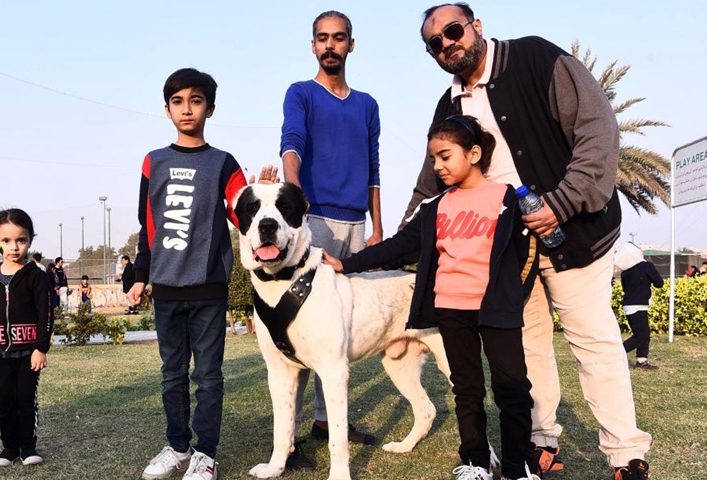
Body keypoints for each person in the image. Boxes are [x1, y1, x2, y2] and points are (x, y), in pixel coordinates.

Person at [405, 4, 653, 479]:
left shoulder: (537, 60)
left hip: (574, 231)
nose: (446, 44)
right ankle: (541, 446)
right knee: (528, 349)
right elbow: (430, 187)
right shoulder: (449, 107)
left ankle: (626, 456)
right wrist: (398, 243)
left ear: (477, 27)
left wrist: (561, 202)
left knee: (595, 342)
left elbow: (598, 129)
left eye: (452, 31)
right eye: (433, 42)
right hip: (507, 252)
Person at [325, 116, 541, 480]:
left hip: (497, 308)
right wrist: (346, 264)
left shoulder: (506, 198)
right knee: (466, 389)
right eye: (433, 160)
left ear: (474, 154)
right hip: (451, 309)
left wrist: (510, 294)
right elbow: (397, 247)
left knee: (513, 388)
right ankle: (475, 463)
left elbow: (525, 252)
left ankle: (519, 467)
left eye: (445, 156)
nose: (438, 166)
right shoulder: (435, 207)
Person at [127, 67, 250, 480]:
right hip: (165, 287)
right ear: (167, 110)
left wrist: (261, 193)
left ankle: (206, 454)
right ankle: (178, 447)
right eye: (178, 101)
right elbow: (148, 223)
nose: (187, 109)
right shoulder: (153, 161)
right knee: (172, 374)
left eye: (196, 101)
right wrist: (140, 276)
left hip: (209, 288)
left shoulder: (223, 163)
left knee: (209, 375)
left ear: (209, 108)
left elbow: (242, 213)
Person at [279, 10, 380, 467]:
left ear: (351, 45)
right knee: (301, 329)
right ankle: (291, 441)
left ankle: (326, 420)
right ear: (313, 45)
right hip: (313, 220)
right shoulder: (300, 93)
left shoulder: (367, 104)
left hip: (357, 225)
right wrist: (293, 192)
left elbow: (374, 167)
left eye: (339, 38)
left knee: (336, 332)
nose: (331, 46)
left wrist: (378, 228)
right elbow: (292, 142)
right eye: (323, 39)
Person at [0, 208, 53, 467]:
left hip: (29, 353)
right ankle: (9, 447)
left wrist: (41, 347)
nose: (14, 247)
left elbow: (46, 314)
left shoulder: (37, 276)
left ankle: (28, 447)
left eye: (21, 240)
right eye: (6, 241)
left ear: (30, 240)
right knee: (4, 400)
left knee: (26, 399)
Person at [615, 243, 663, 370]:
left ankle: (642, 361)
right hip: (639, 305)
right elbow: (659, 283)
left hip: (628, 306)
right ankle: (614, 355)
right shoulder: (646, 266)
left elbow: (625, 289)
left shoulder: (625, 272)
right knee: (641, 336)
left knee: (643, 334)